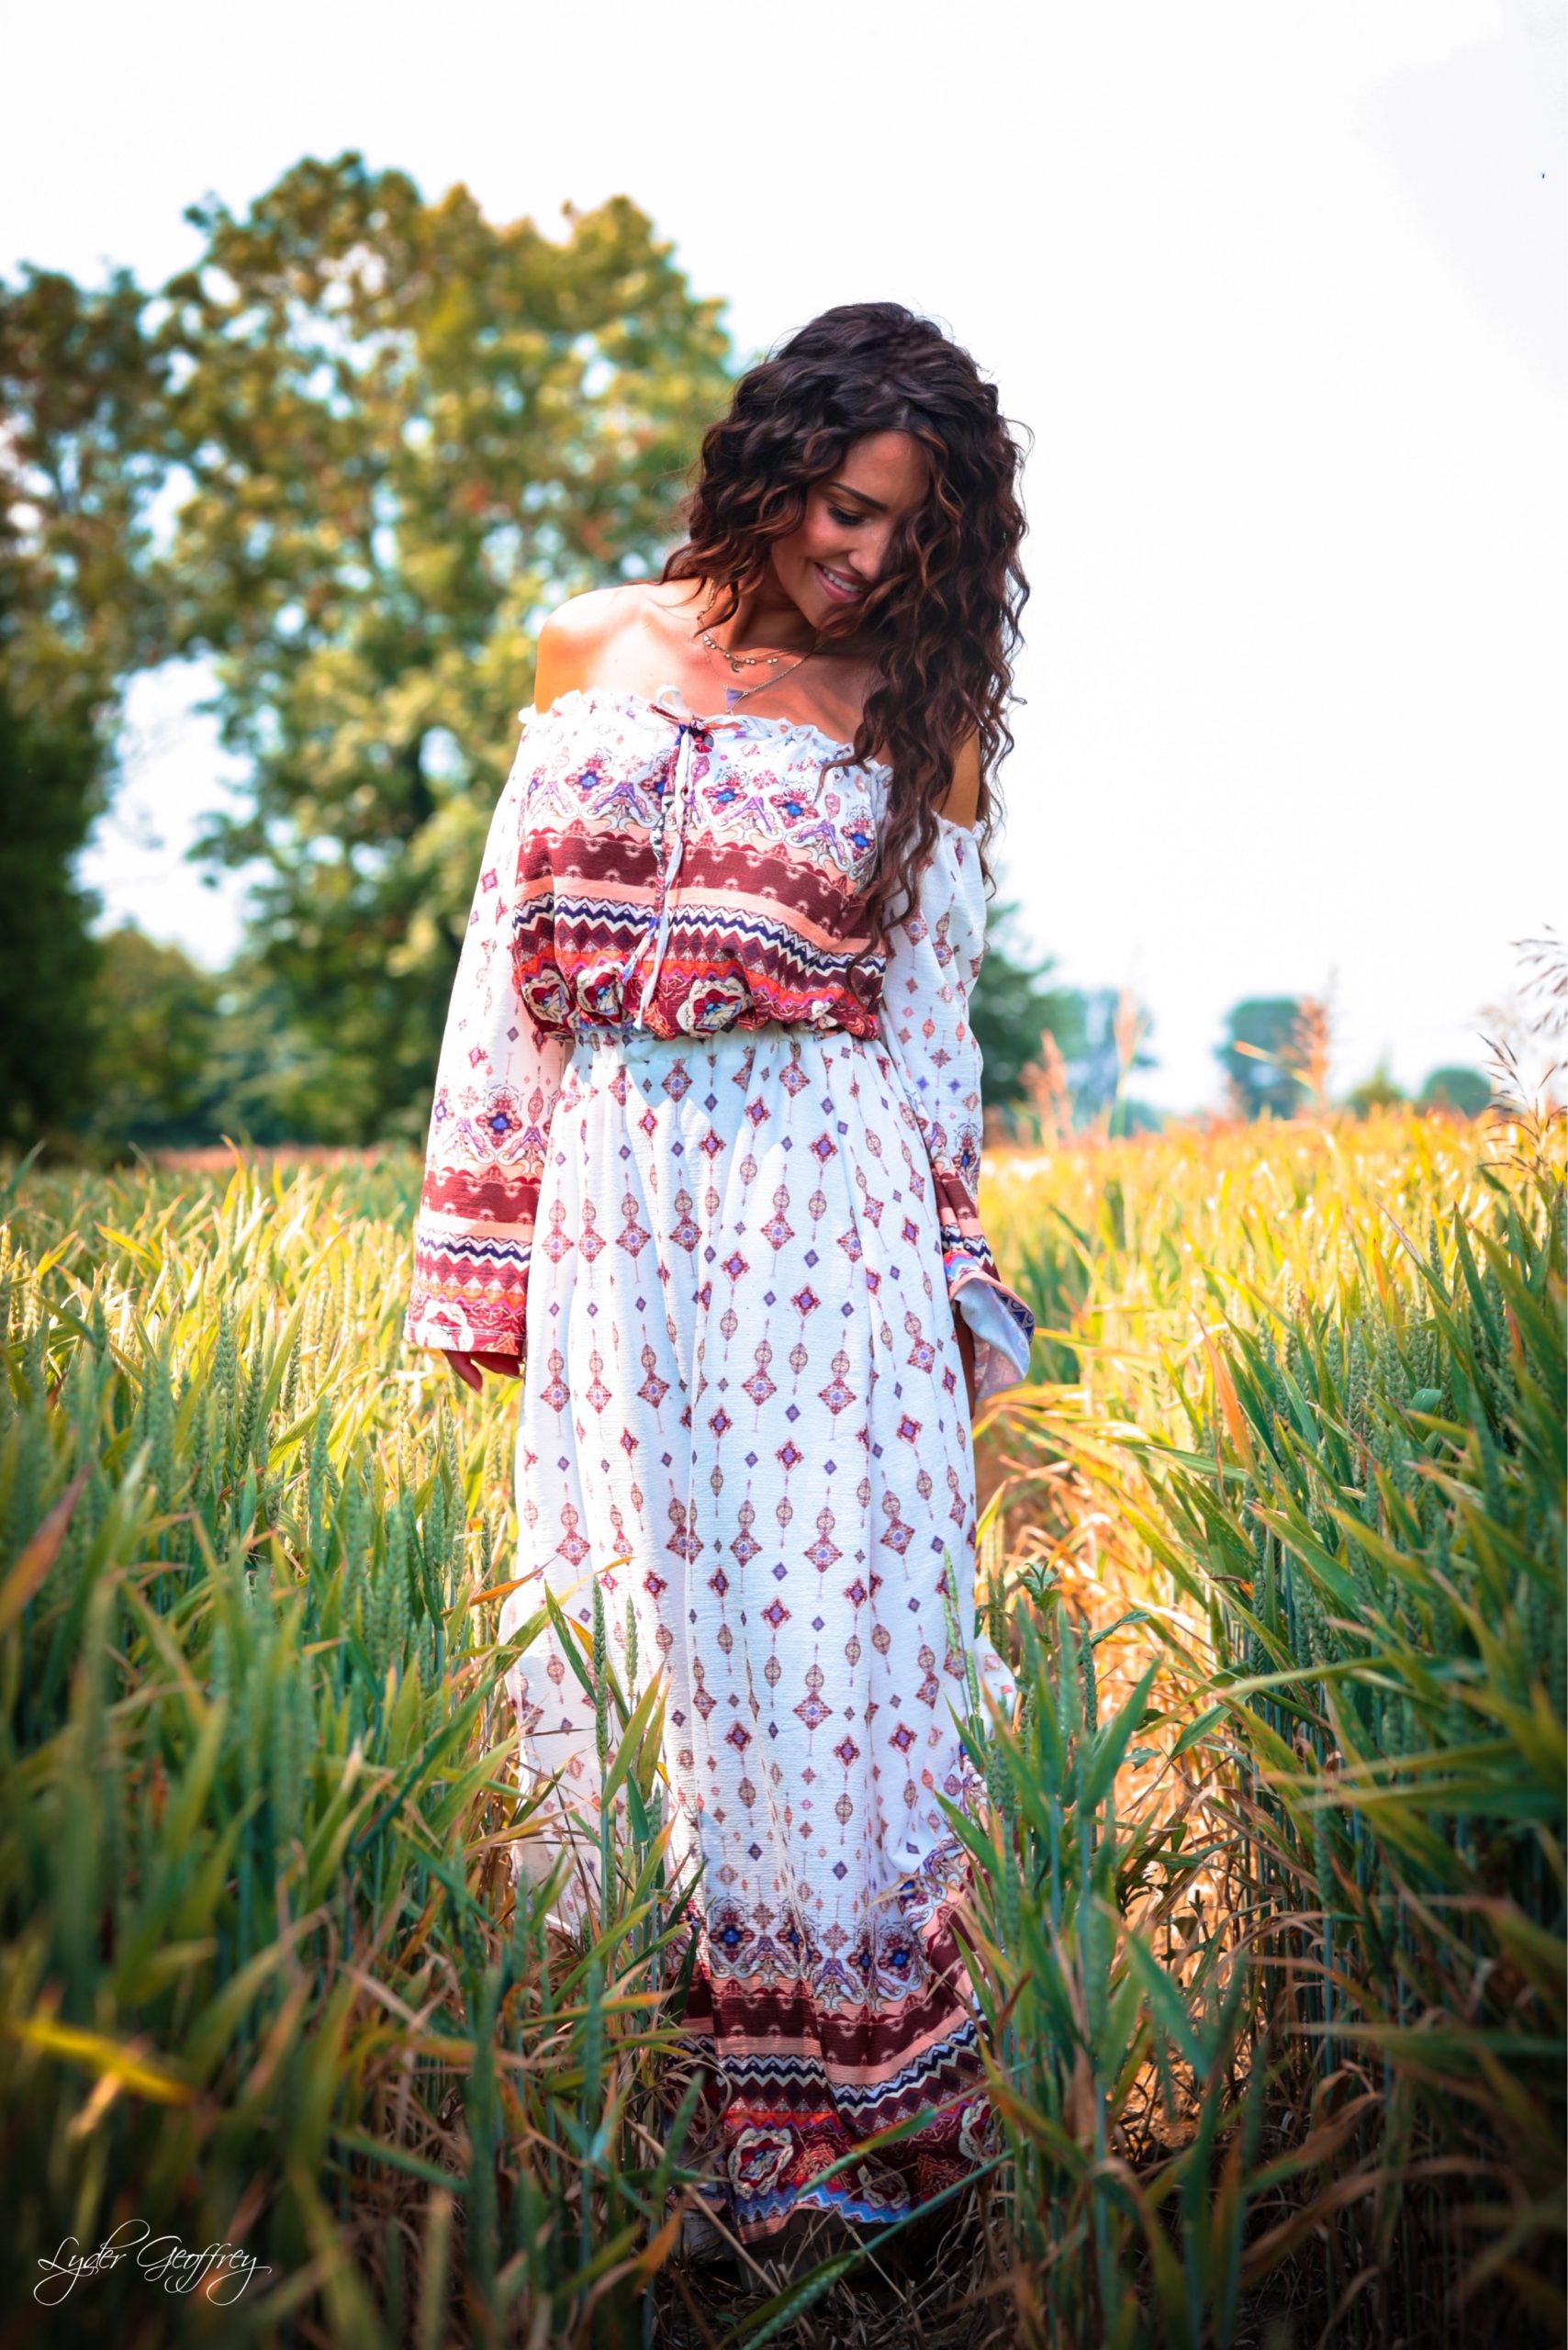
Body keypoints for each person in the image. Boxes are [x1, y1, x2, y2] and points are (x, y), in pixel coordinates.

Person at [403, 300, 1036, 2249]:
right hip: (616, 1219)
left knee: (820, 1644)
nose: (864, 558)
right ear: (776, 464)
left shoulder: (909, 719)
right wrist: (481, 1252)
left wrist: (959, 1302)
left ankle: (855, 2143)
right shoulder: (585, 646)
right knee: (637, 1628)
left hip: (822, 1228)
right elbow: (502, 970)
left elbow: (928, 1038)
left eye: (906, 533)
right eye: (845, 508)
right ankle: (652, 2116)